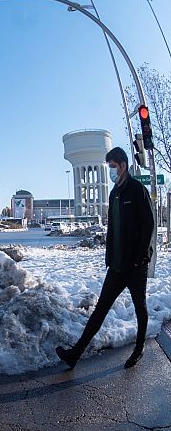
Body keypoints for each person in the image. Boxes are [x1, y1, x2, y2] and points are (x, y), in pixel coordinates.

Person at [56, 147, 154, 370]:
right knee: (100, 309)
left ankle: (138, 350)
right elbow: (113, 229)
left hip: (135, 266)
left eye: (113, 167)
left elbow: (148, 225)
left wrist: (141, 258)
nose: (110, 171)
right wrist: (110, 257)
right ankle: (75, 354)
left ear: (123, 166)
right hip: (117, 266)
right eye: (108, 167)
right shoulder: (114, 193)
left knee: (140, 308)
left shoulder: (137, 190)